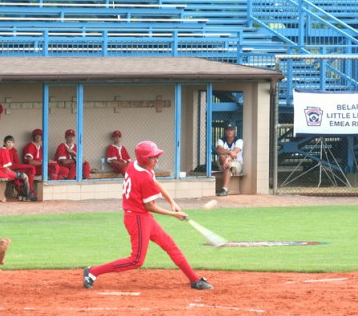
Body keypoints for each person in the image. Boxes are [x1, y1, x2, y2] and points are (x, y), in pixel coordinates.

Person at [83, 141, 212, 291]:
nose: (156, 160)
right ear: (144, 159)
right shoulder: (143, 177)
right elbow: (149, 206)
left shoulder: (136, 164)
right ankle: (92, 272)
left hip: (143, 216)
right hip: (136, 218)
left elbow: (155, 183)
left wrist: (172, 202)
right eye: (153, 157)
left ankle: (194, 279)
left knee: (169, 245)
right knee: (136, 260)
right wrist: (173, 215)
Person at [0, 135, 36, 201]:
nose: (11, 144)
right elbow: (6, 167)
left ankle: (22, 195)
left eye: (12, 142)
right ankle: (27, 196)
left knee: (19, 176)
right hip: (2, 172)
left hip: (1, 171)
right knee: (25, 176)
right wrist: (13, 173)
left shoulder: (1, 149)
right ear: (4, 143)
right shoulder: (4, 151)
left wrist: (14, 173)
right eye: (8, 142)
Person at [215, 122, 244, 197]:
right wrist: (229, 153)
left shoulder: (239, 140)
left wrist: (228, 158)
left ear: (234, 131)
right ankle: (229, 167)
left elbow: (236, 151)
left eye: (231, 130)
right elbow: (219, 149)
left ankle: (224, 189)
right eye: (228, 130)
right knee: (221, 155)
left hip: (237, 163)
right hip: (223, 162)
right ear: (225, 131)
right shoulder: (221, 140)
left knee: (228, 165)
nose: (229, 131)